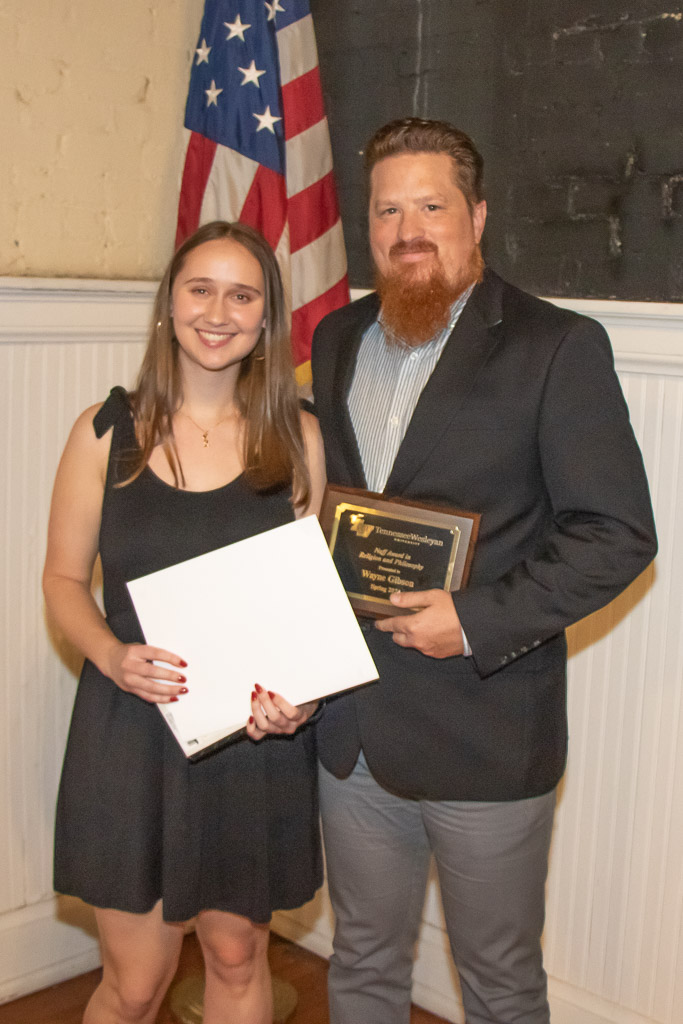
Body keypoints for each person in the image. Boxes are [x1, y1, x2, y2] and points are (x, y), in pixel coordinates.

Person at [311, 118, 657, 1024]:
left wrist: (472, 620)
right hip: (351, 733)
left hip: (486, 733)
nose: (406, 229)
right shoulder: (338, 337)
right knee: (362, 966)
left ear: (477, 216)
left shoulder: (556, 347)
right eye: (387, 209)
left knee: (500, 987)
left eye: (431, 204)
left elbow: (615, 533)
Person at [43, 220, 326, 1024]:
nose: (218, 311)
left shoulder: (298, 437)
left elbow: (308, 606)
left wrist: (299, 700)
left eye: (243, 295)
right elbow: (62, 580)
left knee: (237, 961)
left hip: (250, 743)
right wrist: (108, 654)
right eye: (200, 288)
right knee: (134, 984)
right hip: (129, 729)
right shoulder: (104, 432)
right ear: (169, 303)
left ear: (266, 317)